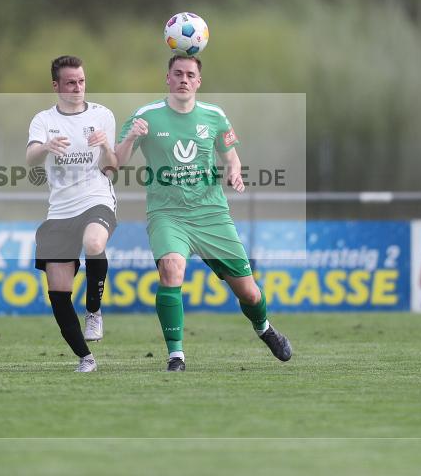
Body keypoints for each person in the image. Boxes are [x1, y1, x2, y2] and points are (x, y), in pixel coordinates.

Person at [114, 55, 292, 372]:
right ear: (167, 78)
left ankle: (264, 328)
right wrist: (130, 137)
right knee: (171, 271)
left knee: (249, 293)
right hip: (167, 214)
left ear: (198, 82)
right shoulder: (146, 116)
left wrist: (234, 173)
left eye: (190, 75)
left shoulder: (214, 116)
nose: (184, 79)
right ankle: (176, 356)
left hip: (211, 214)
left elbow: (232, 157)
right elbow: (116, 162)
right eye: (177, 73)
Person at [27, 55, 118, 372]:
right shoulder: (43, 121)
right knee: (58, 293)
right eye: (70, 82)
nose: (77, 87)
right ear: (56, 85)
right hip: (60, 209)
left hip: (96, 197)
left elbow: (112, 168)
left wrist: (107, 147)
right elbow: (30, 159)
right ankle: (86, 358)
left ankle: (94, 310)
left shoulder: (103, 115)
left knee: (94, 244)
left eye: (81, 81)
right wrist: (46, 147)